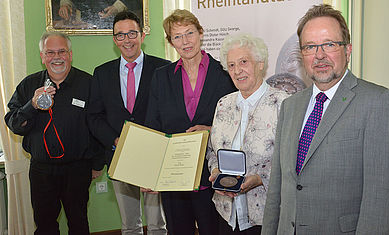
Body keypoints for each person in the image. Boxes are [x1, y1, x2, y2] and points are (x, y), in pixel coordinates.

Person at [262, 4, 389, 235]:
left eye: (329, 44)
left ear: (347, 50)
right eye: (310, 47)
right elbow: (277, 191)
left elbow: (382, 200)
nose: (319, 55)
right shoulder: (290, 106)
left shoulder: (379, 103)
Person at [144, 9, 237, 235]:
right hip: (174, 176)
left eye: (189, 33)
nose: (185, 41)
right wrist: (149, 173)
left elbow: (239, 121)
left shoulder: (225, 73)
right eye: (177, 36)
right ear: (170, 42)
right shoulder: (161, 76)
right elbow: (152, 125)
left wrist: (211, 129)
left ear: (201, 33)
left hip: (212, 175)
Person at [4, 32, 104, 235]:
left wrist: (97, 164)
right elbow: (14, 125)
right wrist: (31, 105)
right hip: (42, 171)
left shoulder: (88, 83)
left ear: (70, 54)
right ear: (42, 56)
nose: (56, 57)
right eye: (50, 52)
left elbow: (98, 124)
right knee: (45, 225)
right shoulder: (28, 85)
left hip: (78, 169)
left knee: (79, 223)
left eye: (62, 51)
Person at [87, 11, 169, 235]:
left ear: (142, 35)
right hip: (119, 156)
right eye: (120, 35)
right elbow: (93, 116)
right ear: (114, 40)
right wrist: (115, 139)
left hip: (154, 157)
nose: (127, 40)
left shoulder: (164, 69)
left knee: (157, 225)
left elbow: (171, 113)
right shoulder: (102, 73)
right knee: (129, 225)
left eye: (132, 33)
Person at [207, 34, 289, 234]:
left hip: (265, 216)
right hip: (226, 213)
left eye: (244, 62)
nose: (237, 71)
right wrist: (215, 171)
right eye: (232, 65)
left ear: (260, 64)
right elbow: (212, 151)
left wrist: (260, 178)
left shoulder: (283, 104)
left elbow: (290, 160)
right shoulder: (223, 104)